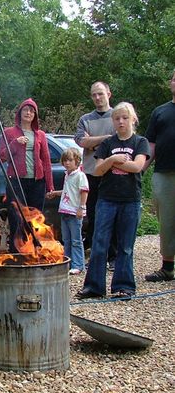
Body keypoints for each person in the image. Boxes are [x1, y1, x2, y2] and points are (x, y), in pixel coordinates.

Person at [76, 102, 150, 300]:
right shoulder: (108, 143)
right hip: (106, 199)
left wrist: (115, 162)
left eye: (125, 118)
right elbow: (97, 169)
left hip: (130, 200)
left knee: (125, 246)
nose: (120, 121)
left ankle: (123, 287)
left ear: (133, 119)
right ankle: (94, 287)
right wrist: (112, 161)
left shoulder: (140, 142)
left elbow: (138, 167)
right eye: (117, 118)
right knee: (100, 243)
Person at [0, 98, 54, 252]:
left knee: (35, 219)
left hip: (37, 183)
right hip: (16, 181)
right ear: (20, 113)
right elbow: (1, 156)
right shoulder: (9, 132)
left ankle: (33, 252)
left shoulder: (40, 135)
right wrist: (15, 143)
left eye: (32, 111)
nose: (28, 113)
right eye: (25, 110)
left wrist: (49, 186)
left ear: (35, 115)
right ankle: (16, 253)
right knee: (16, 218)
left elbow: (46, 161)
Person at [75, 81, 117, 268]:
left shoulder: (118, 115)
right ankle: (96, 254)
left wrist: (93, 143)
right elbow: (81, 141)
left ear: (109, 93)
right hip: (91, 173)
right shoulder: (85, 119)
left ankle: (113, 256)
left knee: (113, 215)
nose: (97, 98)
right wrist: (106, 140)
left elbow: (122, 139)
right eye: (94, 94)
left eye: (100, 93)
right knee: (93, 215)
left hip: (114, 172)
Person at [143, 69, 175, 282]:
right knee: (167, 221)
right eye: (174, 78)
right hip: (164, 174)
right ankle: (167, 268)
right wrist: (141, 169)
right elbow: (151, 144)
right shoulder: (160, 112)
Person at [46, 147, 88, 274]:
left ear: (77, 161)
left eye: (70, 160)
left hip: (74, 212)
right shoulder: (67, 175)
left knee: (76, 240)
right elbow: (67, 192)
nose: (67, 163)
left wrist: (81, 208)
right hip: (64, 211)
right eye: (65, 160)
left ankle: (79, 265)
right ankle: (68, 262)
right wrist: (55, 194)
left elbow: (84, 192)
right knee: (66, 239)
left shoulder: (80, 175)